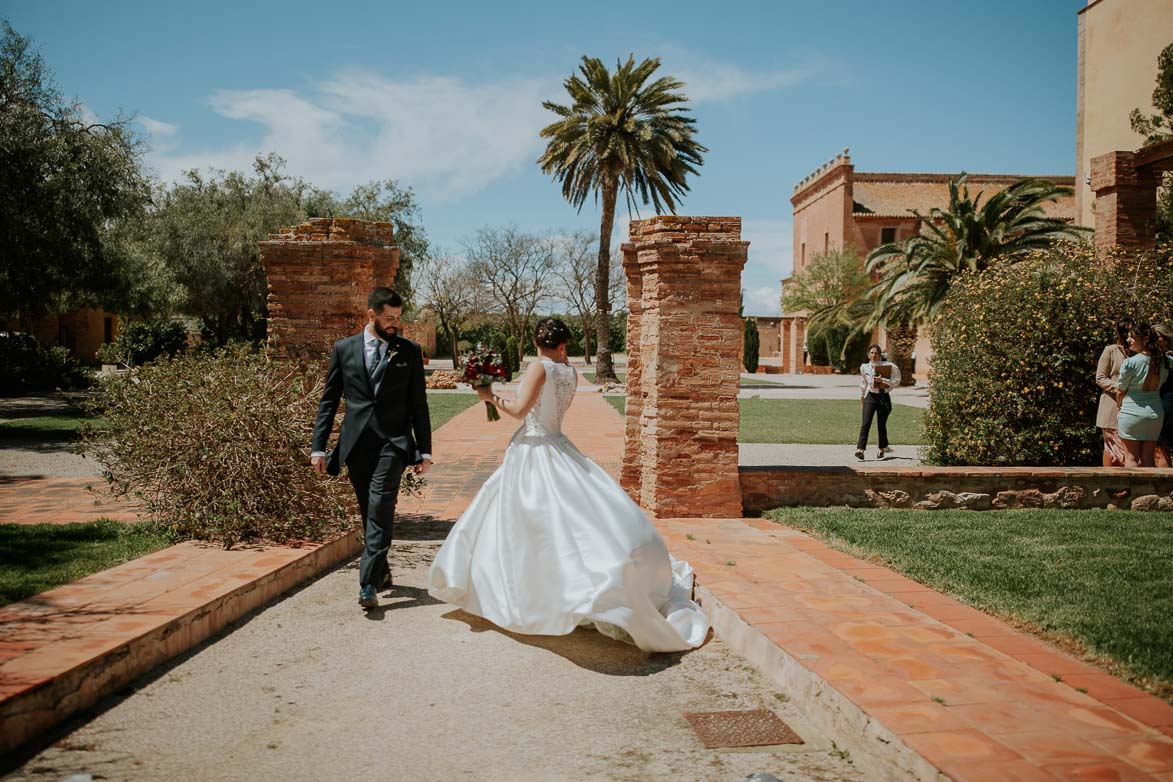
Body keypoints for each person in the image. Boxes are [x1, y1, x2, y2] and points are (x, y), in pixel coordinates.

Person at [427, 317, 709, 653]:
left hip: (532, 449)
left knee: (528, 526)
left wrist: (489, 396)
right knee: (569, 522)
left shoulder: (539, 367)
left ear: (536, 342)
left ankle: (534, 594)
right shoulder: (570, 373)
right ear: (564, 344)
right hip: (557, 443)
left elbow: (519, 411)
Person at [311, 288, 432, 609]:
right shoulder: (344, 349)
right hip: (356, 444)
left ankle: (367, 584)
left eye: (398, 318)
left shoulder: (408, 351)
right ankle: (382, 570)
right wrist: (319, 448)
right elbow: (329, 400)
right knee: (368, 510)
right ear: (371, 315)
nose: (395, 324)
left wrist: (425, 451)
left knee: (380, 506)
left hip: (394, 443)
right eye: (388, 318)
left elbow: (419, 405)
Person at [1115, 321, 1169, 468]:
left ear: (1144, 340)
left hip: (1131, 411)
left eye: (1132, 337)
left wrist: (1119, 406)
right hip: (1155, 413)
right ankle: (1151, 490)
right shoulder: (1166, 361)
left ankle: (1133, 490)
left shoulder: (1130, 363)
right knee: (1148, 458)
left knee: (1131, 457)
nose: (1128, 339)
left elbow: (1120, 390)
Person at [1095, 317, 1133, 467]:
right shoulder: (1111, 350)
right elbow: (1100, 377)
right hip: (1111, 405)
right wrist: (1119, 387)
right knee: (1112, 447)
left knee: (1128, 447)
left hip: (1132, 405)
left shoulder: (1138, 353)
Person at [855, 344, 901, 460]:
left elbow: (896, 381)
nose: (874, 355)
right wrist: (862, 398)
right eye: (872, 353)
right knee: (865, 423)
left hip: (883, 396)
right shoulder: (864, 367)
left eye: (876, 353)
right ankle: (860, 450)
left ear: (880, 355)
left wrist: (884, 380)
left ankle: (882, 448)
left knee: (881, 424)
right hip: (870, 397)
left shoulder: (889, 366)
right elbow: (863, 383)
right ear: (868, 354)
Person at [1152, 322, 1173, 468]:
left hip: (1165, 403)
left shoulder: (1165, 360)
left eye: (1156, 336)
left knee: (1161, 447)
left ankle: (1164, 489)